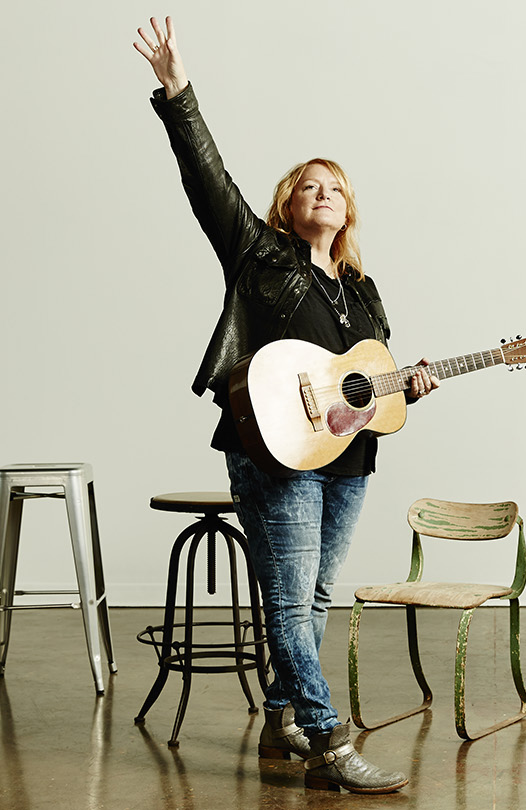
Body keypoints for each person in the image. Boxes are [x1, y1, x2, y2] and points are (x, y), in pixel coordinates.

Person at [134, 16, 435, 794]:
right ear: (285, 206)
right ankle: (330, 741)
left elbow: (367, 385)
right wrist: (178, 92)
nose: (324, 194)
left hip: (349, 458)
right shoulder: (258, 254)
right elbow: (207, 178)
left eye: (335, 187)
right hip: (272, 450)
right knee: (290, 600)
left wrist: (407, 386)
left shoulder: (363, 293)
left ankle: (279, 728)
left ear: (349, 209)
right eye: (310, 185)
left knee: (315, 596)